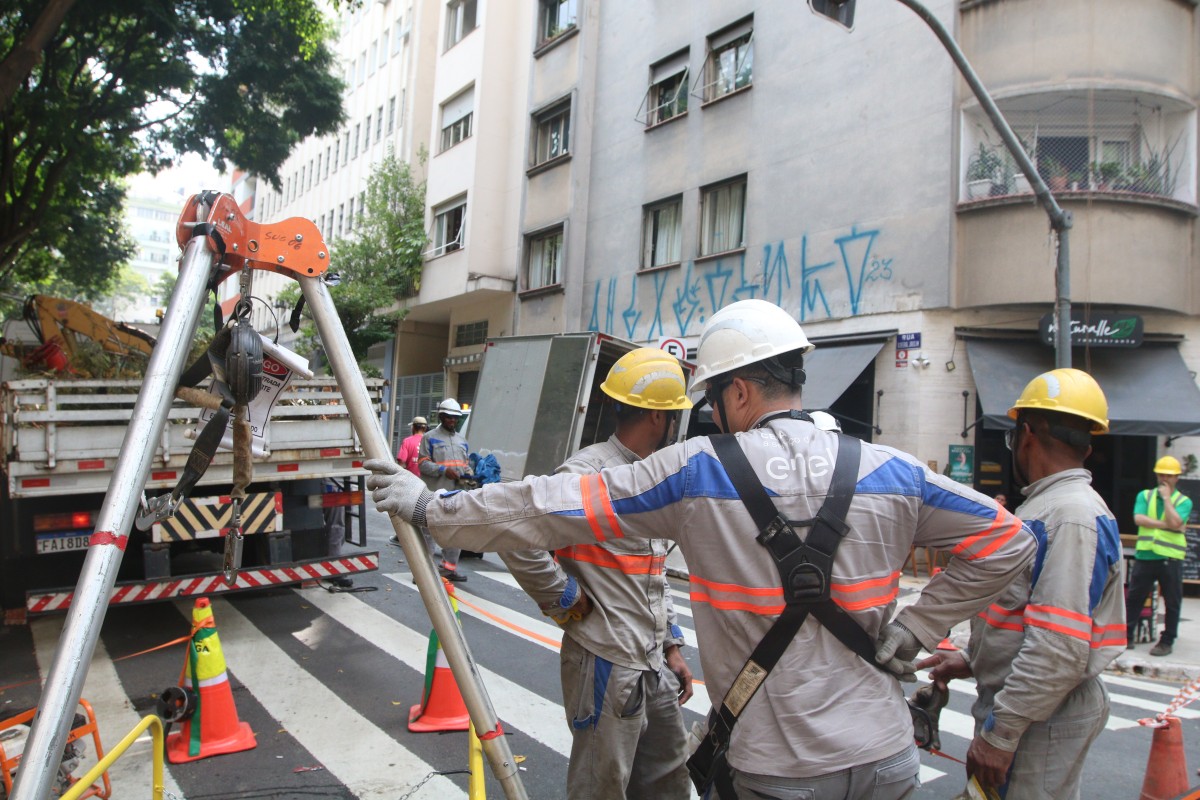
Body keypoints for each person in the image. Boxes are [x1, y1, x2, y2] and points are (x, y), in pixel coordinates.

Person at [366, 299, 1035, 798]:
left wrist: (433, 508)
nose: (710, 416)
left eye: (714, 399)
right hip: (888, 762)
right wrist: (920, 623)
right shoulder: (893, 471)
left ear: (739, 390)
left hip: (781, 770)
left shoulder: (697, 472)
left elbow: (550, 506)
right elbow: (1010, 541)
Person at [918, 368, 1126, 799]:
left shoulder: (1070, 516)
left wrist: (1002, 735)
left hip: (1041, 718)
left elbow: (1058, 647)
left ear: (1026, 434)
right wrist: (975, 658)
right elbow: (1022, 613)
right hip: (1032, 708)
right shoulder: (1049, 507)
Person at [499, 347, 695, 800]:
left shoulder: (651, 474)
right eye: (672, 417)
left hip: (651, 659)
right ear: (657, 418)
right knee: (601, 786)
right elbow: (515, 536)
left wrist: (672, 645)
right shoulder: (589, 473)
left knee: (669, 780)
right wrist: (564, 596)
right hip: (605, 659)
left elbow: (652, 571)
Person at [1125, 454, 1193, 657]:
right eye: (1162, 473)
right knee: (1135, 597)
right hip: (1146, 555)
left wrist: (1166, 499)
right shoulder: (1144, 496)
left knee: (1172, 601)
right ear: (1156, 474)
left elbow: (1176, 520)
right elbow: (1139, 519)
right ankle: (1126, 635)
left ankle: (1167, 641)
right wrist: (1169, 525)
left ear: (1177, 478)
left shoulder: (1183, 501)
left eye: (1169, 475)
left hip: (1170, 557)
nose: (1165, 478)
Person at [417, 398, 472, 582]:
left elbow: (465, 465)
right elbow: (423, 464)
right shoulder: (429, 437)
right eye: (448, 417)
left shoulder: (462, 441)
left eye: (455, 418)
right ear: (441, 416)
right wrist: (442, 470)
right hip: (434, 494)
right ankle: (424, 573)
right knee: (428, 533)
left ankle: (449, 569)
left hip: (456, 494)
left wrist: (470, 475)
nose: (452, 421)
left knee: (455, 532)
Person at [389, 416, 429, 546]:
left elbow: (401, 463)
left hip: (412, 483)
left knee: (405, 508)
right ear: (425, 428)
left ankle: (403, 536)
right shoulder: (429, 442)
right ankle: (424, 538)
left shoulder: (407, 441)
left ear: (413, 427)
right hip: (428, 483)